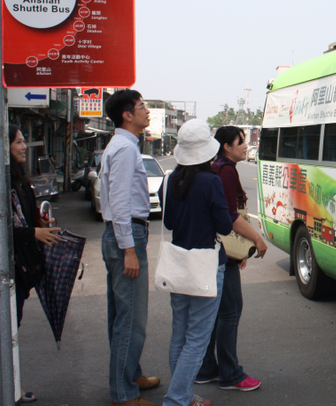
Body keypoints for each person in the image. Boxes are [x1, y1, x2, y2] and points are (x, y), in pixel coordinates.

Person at [160, 119, 233, 406]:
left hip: (178, 263)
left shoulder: (169, 180)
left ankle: (184, 396)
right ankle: (177, 399)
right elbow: (225, 227)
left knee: (180, 333)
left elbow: (167, 221)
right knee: (197, 339)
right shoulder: (212, 181)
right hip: (206, 265)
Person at [99, 90, 160, 406]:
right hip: (126, 237)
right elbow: (120, 203)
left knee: (121, 316)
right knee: (131, 319)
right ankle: (123, 393)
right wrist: (129, 250)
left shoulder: (123, 145)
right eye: (142, 107)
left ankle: (131, 374)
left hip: (121, 236)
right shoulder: (124, 149)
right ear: (127, 114)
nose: (147, 111)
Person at [195, 126, 267, 392]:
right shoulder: (225, 171)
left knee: (218, 313)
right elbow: (229, 216)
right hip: (220, 253)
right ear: (227, 146)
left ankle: (206, 368)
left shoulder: (214, 168)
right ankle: (230, 373)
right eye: (241, 142)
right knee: (230, 311)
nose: (246, 146)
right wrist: (257, 240)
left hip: (216, 250)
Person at [9, 124, 61, 404]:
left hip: (24, 266)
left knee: (12, 328)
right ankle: (8, 387)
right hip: (10, 268)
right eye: (17, 142)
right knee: (7, 329)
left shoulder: (20, 180)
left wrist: (41, 225)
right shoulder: (0, 181)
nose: (21, 147)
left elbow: (27, 220)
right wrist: (33, 233)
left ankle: (11, 385)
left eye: (22, 142)